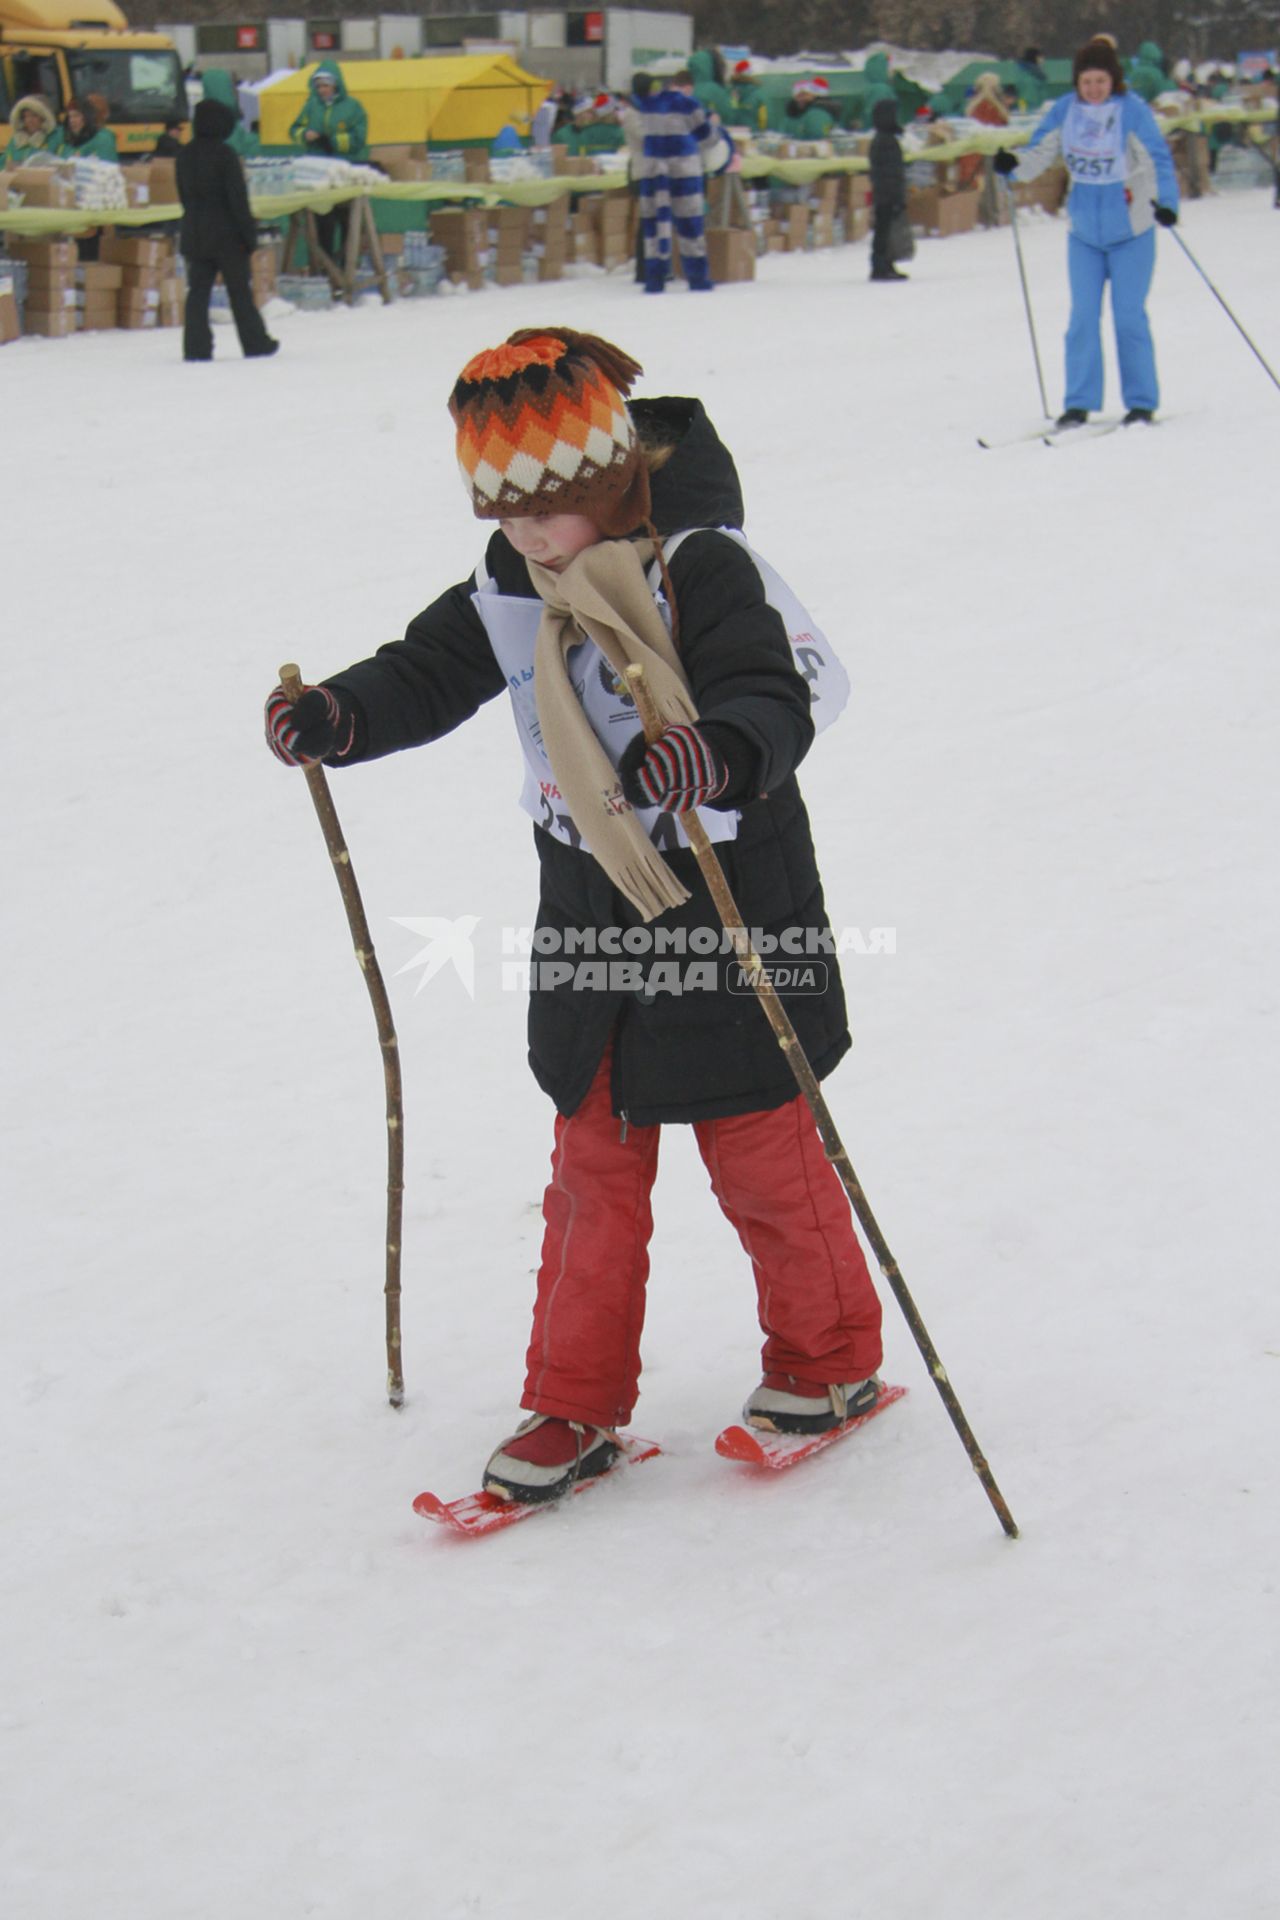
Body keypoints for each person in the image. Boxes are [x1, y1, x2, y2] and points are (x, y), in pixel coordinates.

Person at [263, 329, 885, 1504]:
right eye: (499, 511)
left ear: (607, 483)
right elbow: (427, 669)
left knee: (756, 1148)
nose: (522, 533)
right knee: (591, 1160)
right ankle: (572, 1402)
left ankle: (828, 1359)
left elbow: (773, 687)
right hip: (587, 908)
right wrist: (340, 714)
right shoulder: (511, 581)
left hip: (729, 901)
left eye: (545, 508)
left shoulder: (700, 568)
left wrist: (719, 751)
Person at [994, 36, 1179, 426]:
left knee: (1128, 316)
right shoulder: (1065, 112)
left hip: (1132, 230)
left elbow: (1158, 159)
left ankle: (1142, 402)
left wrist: (1167, 203)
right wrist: (1012, 164)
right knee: (1081, 318)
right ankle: (1078, 402)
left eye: (1101, 81)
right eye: (1086, 82)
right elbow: (1039, 151)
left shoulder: (1132, 112)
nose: (1093, 89)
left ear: (1113, 80)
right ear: (1077, 82)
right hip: (1085, 234)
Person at [176, 97, 278, 363]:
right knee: (239, 293)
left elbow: (183, 196)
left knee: (197, 294)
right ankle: (255, 342)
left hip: (195, 232)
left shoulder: (184, 154)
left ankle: (195, 347)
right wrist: (249, 236)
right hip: (227, 236)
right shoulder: (225, 155)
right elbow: (237, 200)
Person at [636, 71, 727, 292]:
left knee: (655, 226)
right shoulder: (689, 104)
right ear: (688, 86)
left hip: (653, 171)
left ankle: (655, 279)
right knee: (690, 226)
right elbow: (707, 138)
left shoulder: (646, 104)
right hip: (683, 170)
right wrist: (715, 125)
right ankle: (697, 278)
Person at [288, 60, 368, 266]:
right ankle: (324, 271)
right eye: (319, 86)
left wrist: (332, 141)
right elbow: (294, 130)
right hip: (318, 177)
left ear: (336, 84)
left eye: (326, 85)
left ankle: (346, 269)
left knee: (348, 225)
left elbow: (359, 138)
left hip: (343, 175)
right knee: (323, 225)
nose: (322, 90)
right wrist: (306, 135)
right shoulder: (311, 106)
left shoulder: (353, 108)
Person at [868, 97, 908, 281]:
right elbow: (891, 173)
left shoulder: (881, 139)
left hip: (883, 192)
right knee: (884, 230)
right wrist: (897, 197)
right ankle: (881, 265)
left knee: (884, 229)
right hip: (888, 193)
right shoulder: (887, 141)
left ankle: (885, 263)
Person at [50, 95, 118, 162]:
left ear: (87, 117)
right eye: (70, 117)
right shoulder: (62, 135)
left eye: (76, 116)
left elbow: (109, 167)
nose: (72, 120)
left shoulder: (104, 138)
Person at [3, 95, 57, 167]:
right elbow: (3, 164)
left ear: (43, 117)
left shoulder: (54, 138)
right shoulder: (14, 142)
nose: (30, 120)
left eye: (34, 116)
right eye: (26, 116)